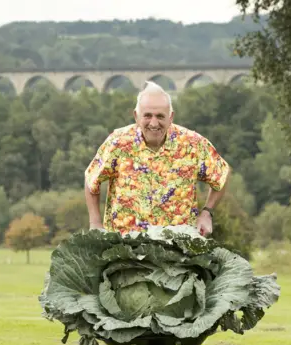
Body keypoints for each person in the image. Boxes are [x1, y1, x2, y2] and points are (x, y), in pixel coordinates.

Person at [84, 81, 231, 236]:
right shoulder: (118, 143)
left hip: (178, 249)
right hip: (124, 248)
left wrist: (207, 212)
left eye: (160, 116)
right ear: (136, 116)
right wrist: (95, 223)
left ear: (171, 117)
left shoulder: (193, 144)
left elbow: (222, 173)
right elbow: (91, 179)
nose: (154, 123)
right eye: (147, 116)